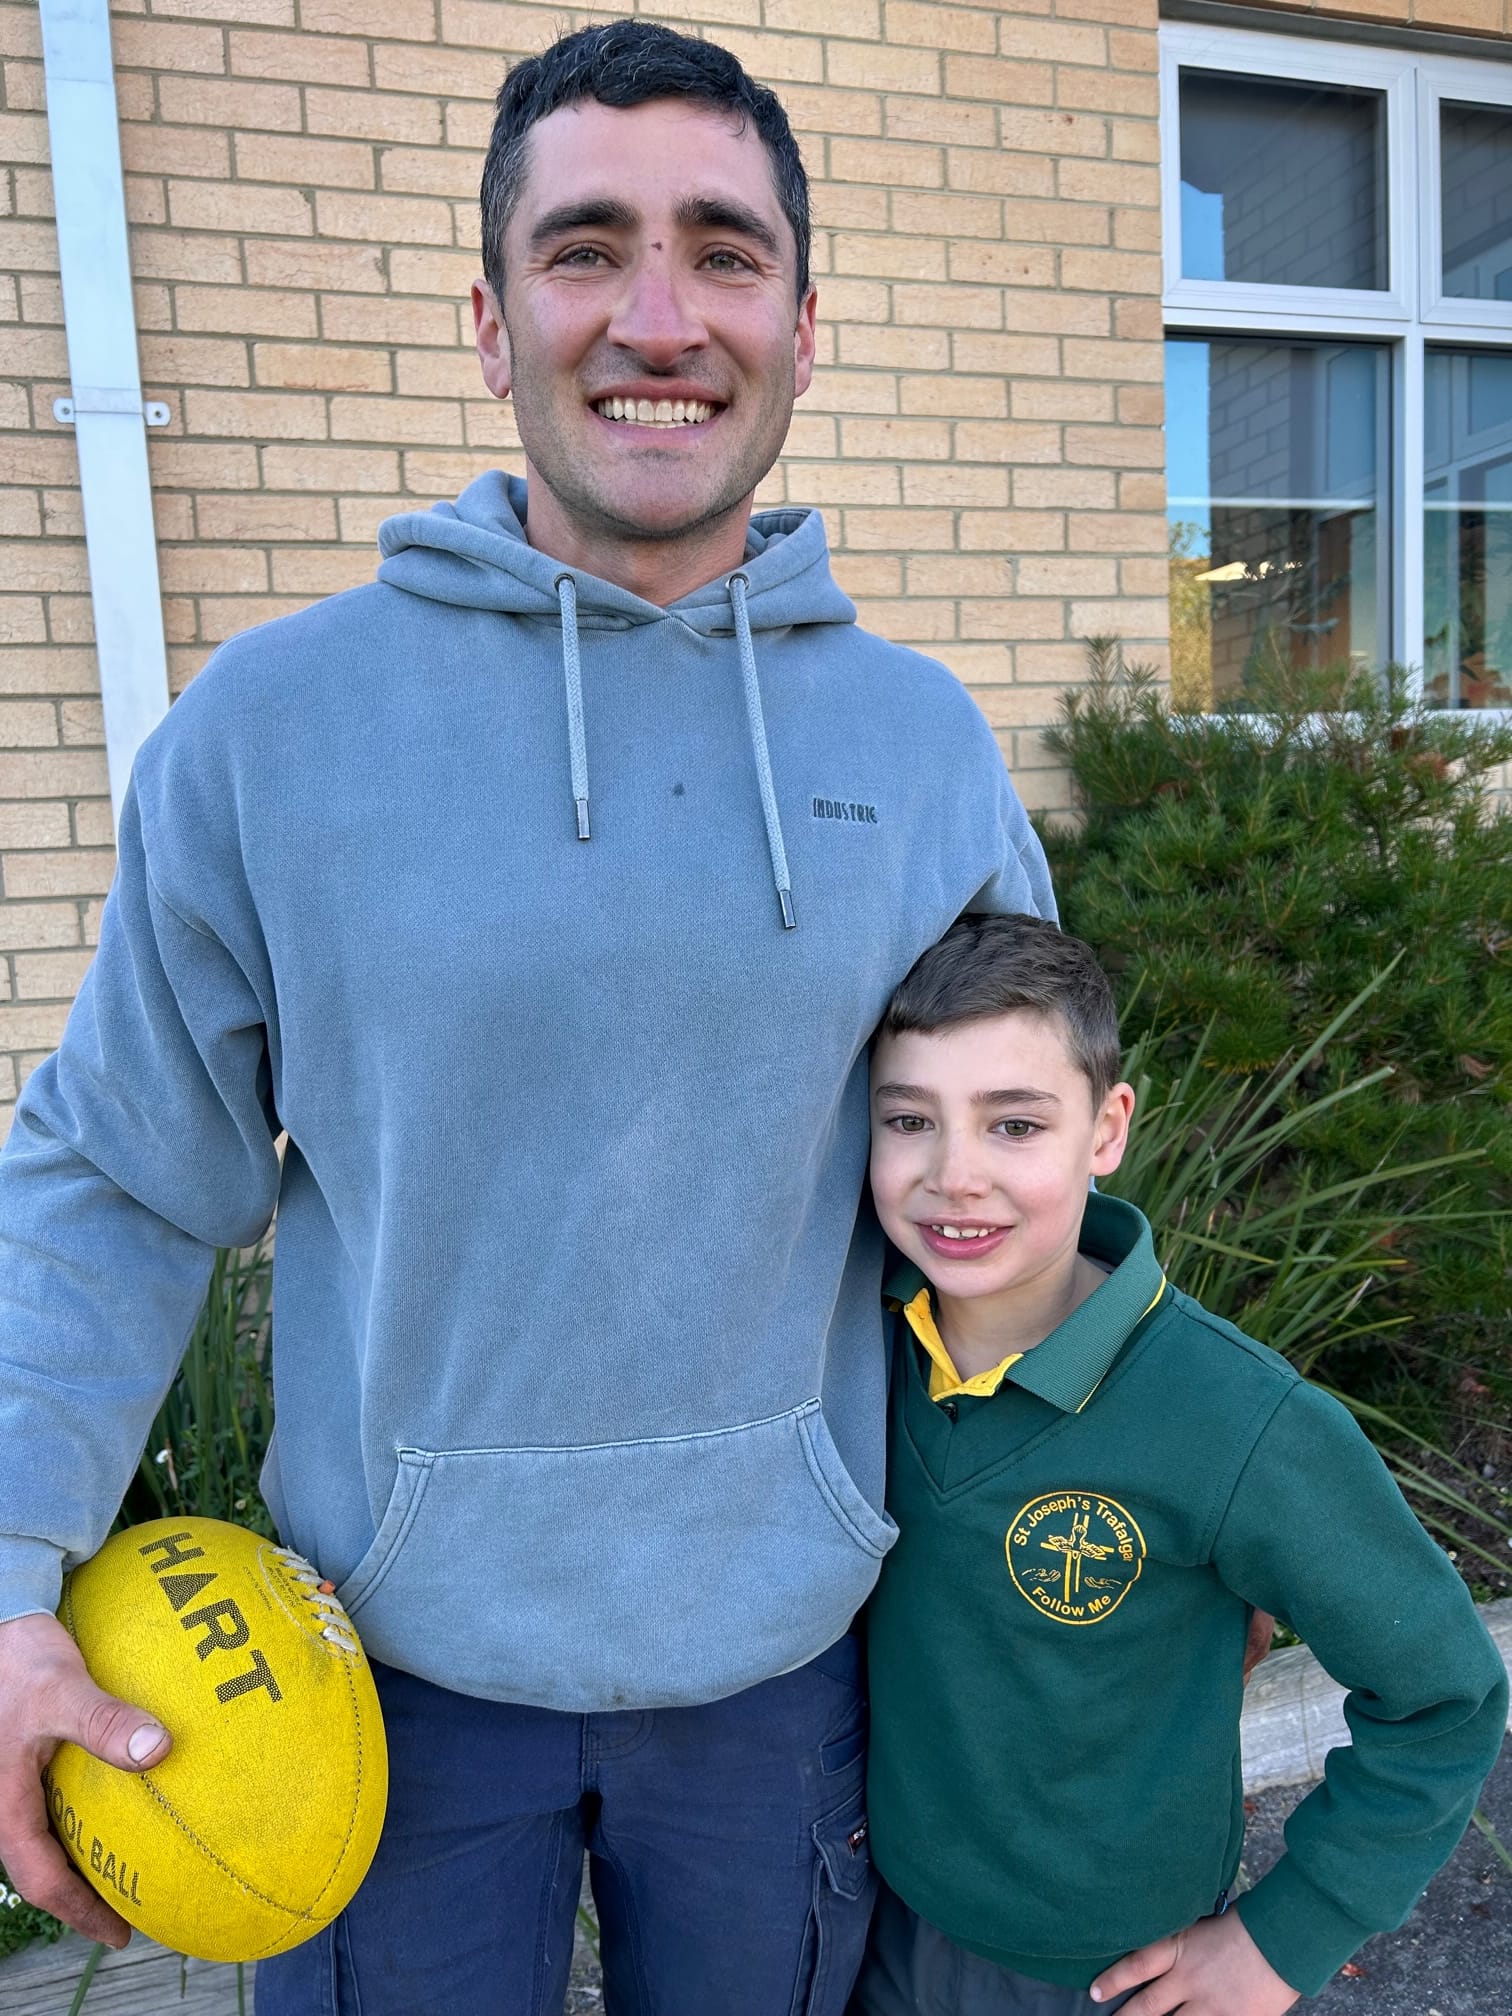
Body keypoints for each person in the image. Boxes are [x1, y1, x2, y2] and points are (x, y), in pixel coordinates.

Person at [0, 22, 1056, 2016]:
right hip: (377, 1691)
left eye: (724, 252)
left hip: (781, 1674)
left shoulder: (918, 753)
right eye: (587, 248)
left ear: (805, 323)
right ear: (492, 322)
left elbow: (1013, 1219)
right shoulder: (274, 734)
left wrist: (1145, 1534)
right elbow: (119, 1182)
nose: (659, 317)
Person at [852, 913, 1507, 2016]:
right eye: (908, 1120)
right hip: (886, 1920)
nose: (954, 1175)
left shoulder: (1235, 1419)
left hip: (1108, 1975)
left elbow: (1445, 1692)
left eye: (1015, 1125)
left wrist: (1286, 1937)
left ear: (1106, 1130)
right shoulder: (856, 1348)